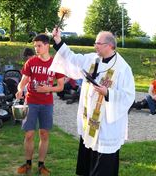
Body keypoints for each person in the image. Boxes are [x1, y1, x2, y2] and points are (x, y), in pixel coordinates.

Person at [50, 29, 135, 176]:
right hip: (90, 120)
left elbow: (128, 96)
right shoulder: (92, 59)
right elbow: (72, 59)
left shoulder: (123, 68)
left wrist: (107, 92)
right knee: (88, 162)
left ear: (109, 45)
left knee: (103, 165)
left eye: (98, 43)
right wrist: (58, 40)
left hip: (107, 125)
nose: (95, 45)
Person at [15, 34, 64, 175]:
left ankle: (41, 164)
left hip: (47, 103)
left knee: (44, 134)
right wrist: (19, 90)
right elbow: (23, 82)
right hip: (30, 101)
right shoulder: (31, 62)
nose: (36, 48)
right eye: (35, 46)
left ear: (47, 45)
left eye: (39, 46)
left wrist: (48, 89)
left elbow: (60, 87)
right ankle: (28, 163)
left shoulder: (56, 64)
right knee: (29, 134)